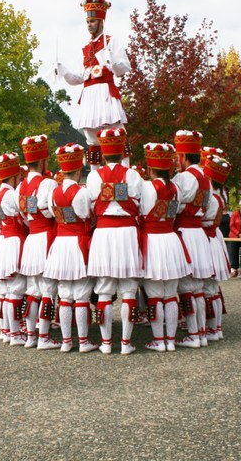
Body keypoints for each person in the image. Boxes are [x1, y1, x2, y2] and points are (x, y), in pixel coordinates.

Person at [56, 0, 131, 170]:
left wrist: (111, 61)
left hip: (105, 92)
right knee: (92, 138)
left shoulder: (112, 41)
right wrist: (63, 70)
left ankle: (125, 171)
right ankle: (95, 176)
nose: (89, 25)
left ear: (101, 21)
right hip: (89, 95)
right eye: (87, 21)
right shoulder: (85, 47)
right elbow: (79, 77)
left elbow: (124, 67)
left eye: (92, 21)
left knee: (118, 133)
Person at [86, 128, 143, 354]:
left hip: (104, 232)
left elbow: (91, 204)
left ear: (103, 152)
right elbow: (139, 202)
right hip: (127, 232)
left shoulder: (93, 176)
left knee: (104, 291)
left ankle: (107, 343)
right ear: (122, 152)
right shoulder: (132, 175)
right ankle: (127, 343)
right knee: (129, 289)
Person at [44, 143, 99, 353]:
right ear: (78, 171)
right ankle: (83, 340)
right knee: (82, 293)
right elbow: (87, 216)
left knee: (65, 294)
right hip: (78, 242)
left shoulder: (53, 193)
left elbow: (52, 214)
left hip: (61, 243)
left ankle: (67, 341)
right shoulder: (81, 192)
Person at [140, 143, 191, 352]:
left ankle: (159, 339)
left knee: (154, 293)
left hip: (153, 240)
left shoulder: (146, 187)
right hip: (170, 239)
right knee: (170, 293)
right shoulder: (176, 188)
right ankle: (170, 339)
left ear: (151, 169)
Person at [171, 130, 215, 349]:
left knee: (187, 287)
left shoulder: (185, 177)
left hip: (186, 231)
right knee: (197, 287)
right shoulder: (206, 177)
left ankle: (193, 333)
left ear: (183, 157)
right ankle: (201, 332)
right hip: (198, 233)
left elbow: (175, 202)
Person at [17, 134, 59, 349]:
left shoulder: (20, 186)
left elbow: (23, 215)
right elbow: (50, 210)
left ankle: (31, 335)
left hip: (32, 237)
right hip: (45, 236)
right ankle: (43, 336)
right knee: (48, 290)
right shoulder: (48, 182)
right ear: (42, 162)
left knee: (33, 289)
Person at [0, 152, 27, 345]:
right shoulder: (10, 193)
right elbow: (22, 216)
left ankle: (6, 330)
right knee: (15, 290)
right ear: (13, 176)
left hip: (4, 239)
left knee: (4, 291)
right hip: (14, 239)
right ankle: (16, 333)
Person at [201, 151, 232, 341]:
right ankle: (216, 328)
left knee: (207, 288)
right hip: (215, 237)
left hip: (206, 238)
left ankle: (210, 327)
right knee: (213, 288)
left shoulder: (210, 196)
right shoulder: (221, 195)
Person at [229, 199, 241, 278]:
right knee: (234, 252)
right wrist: (238, 233)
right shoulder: (235, 213)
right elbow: (231, 225)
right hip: (234, 235)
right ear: (240, 205)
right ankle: (234, 269)